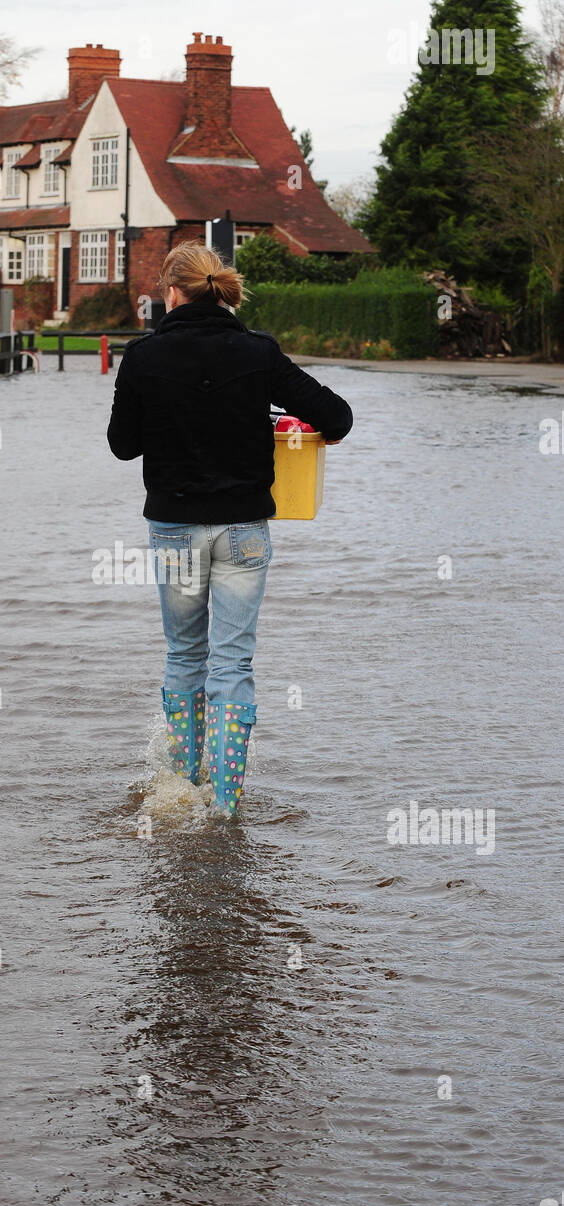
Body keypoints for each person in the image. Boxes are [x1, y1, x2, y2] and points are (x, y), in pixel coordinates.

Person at [107, 240, 353, 814]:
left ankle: (182, 787)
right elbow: (337, 417)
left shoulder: (143, 357)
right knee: (233, 661)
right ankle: (225, 803)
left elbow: (123, 446)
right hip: (244, 528)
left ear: (170, 293)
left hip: (173, 527)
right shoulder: (258, 352)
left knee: (183, 655)